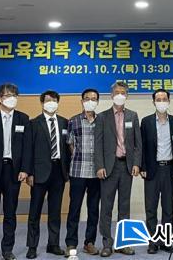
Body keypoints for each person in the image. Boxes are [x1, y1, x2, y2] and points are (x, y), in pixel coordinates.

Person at [0, 83, 32, 260]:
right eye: (8, 95)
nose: (12, 98)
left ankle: (7, 249)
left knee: (10, 213)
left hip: (13, 171)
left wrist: (25, 169)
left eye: (14, 95)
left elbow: (27, 148)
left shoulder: (23, 119)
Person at [94, 81, 142, 257]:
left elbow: (137, 144)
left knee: (124, 207)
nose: (120, 95)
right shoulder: (102, 117)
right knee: (106, 207)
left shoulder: (133, 116)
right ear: (111, 95)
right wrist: (99, 165)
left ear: (126, 95)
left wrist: (136, 163)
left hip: (126, 166)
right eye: (117, 92)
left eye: (123, 92)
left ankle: (124, 243)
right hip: (109, 167)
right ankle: (107, 243)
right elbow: (98, 144)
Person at [26, 90, 70, 259]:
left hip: (59, 172)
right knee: (35, 212)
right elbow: (29, 149)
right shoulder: (33, 123)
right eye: (47, 100)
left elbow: (68, 148)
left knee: (55, 211)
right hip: (39, 173)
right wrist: (29, 173)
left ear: (58, 102)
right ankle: (32, 246)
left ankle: (53, 244)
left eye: (54, 100)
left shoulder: (65, 122)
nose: (51, 103)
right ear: (42, 103)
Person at [140, 89, 173, 254]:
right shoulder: (146, 122)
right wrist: (142, 167)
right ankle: (152, 241)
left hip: (169, 169)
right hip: (151, 169)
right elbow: (141, 146)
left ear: (169, 101)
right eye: (158, 99)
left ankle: (166, 240)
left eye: (164, 99)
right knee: (151, 208)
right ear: (153, 102)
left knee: (168, 208)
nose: (161, 102)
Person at [66, 89, 102, 256]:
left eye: (94, 99)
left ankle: (89, 242)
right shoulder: (73, 121)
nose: (90, 101)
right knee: (74, 209)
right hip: (78, 171)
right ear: (82, 101)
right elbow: (70, 144)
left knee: (93, 210)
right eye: (87, 98)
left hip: (96, 173)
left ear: (97, 102)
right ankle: (71, 243)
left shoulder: (102, 121)